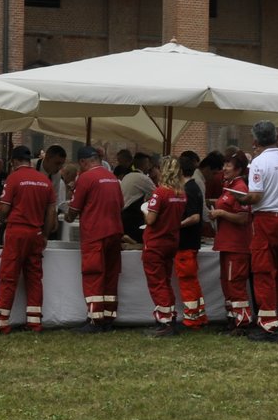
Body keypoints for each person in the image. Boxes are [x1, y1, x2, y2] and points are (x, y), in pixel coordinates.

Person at [232, 120, 278, 343]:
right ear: (277, 137)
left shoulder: (260, 163)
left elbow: (256, 196)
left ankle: (268, 325)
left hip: (266, 219)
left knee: (263, 272)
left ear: (255, 141)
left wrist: (240, 197)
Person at [0, 145, 57, 333]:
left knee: (9, 276)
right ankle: (34, 321)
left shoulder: (13, 178)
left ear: (14, 161)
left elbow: (3, 209)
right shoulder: (45, 181)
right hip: (36, 234)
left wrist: (1, 220)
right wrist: (44, 235)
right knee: (34, 278)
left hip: (17, 232)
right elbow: (51, 212)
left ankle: (1, 321)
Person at [65, 144, 124, 332]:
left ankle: (94, 319)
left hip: (94, 233)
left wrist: (67, 213)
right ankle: (108, 317)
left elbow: (73, 211)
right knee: (110, 275)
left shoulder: (86, 177)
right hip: (115, 232)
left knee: (93, 275)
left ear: (83, 162)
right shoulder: (112, 178)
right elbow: (121, 204)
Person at [136, 154, 189, 336]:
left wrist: (145, 210)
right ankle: (170, 317)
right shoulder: (181, 194)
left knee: (157, 283)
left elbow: (151, 219)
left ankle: (164, 321)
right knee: (165, 281)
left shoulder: (160, 192)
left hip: (156, 242)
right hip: (171, 241)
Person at [210, 151, 253, 333]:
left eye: (228, 165)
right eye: (225, 164)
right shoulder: (229, 186)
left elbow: (243, 218)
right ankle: (232, 318)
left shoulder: (241, 188)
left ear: (239, 169)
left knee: (235, 282)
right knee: (226, 282)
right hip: (226, 243)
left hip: (237, 245)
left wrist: (221, 213)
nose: (224, 168)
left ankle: (242, 322)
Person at [173, 150, 208, 329]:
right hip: (191, 242)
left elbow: (194, 216)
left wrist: (175, 225)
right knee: (192, 280)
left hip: (185, 242)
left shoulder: (189, 189)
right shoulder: (194, 186)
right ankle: (199, 315)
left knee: (187, 280)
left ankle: (191, 319)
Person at [119, 151, 155, 241]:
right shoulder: (143, 178)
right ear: (145, 165)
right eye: (148, 164)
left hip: (122, 216)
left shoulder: (127, 176)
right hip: (132, 218)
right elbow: (157, 194)